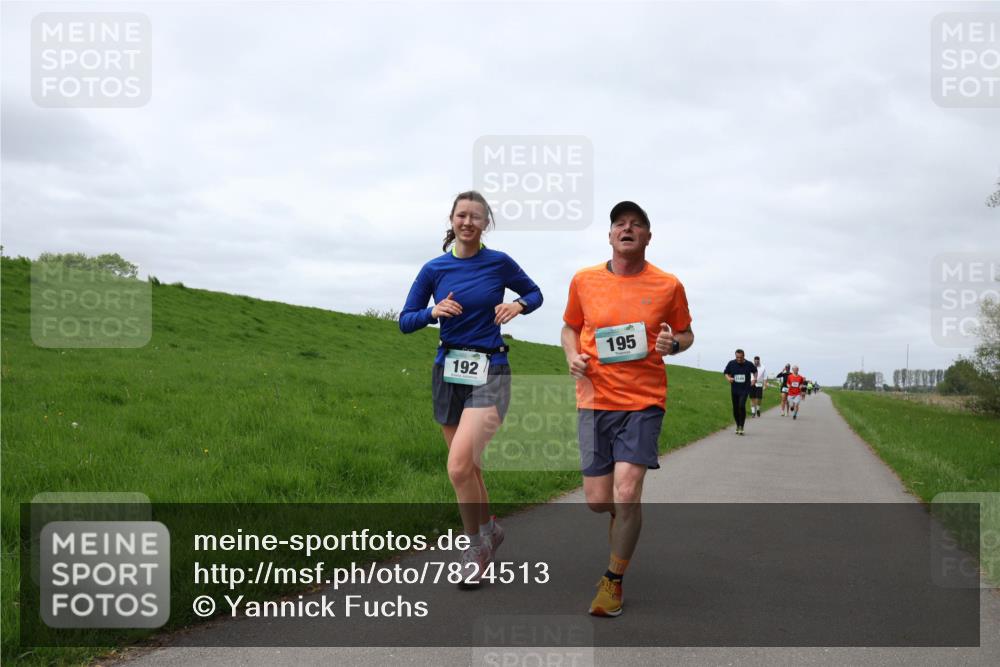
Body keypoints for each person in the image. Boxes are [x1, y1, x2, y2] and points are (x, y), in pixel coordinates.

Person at [399, 190, 543, 585]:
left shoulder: (499, 263)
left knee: (459, 465)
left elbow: (535, 293)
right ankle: (491, 532)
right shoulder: (434, 269)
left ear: (485, 224)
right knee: (470, 468)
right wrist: (433, 311)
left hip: (491, 369)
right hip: (448, 371)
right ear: (451, 219)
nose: (467, 222)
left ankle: (475, 547)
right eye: (461, 215)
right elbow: (405, 319)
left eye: (475, 217)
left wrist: (518, 306)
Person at [561, 200, 693, 617]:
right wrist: (571, 356)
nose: (628, 229)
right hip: (595, 400)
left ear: (648, 236)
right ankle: (625, 517)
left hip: (643, 401)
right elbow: (570, 327)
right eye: (620, 223)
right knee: (600, 501)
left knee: (626, 490)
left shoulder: (668, 285)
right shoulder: (584, 280)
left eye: (637, 224)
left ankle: (612, 582)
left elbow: (686, 333)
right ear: (610, 235)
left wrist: (675, 344)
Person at [723, 349, 757, 435]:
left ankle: (742, 426)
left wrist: (754, 379)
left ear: (744, 356)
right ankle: (738, 425)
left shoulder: (749, 364)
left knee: (741, 406)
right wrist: (729, 378)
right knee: (735, 408)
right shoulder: (731, 363)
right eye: (737, 357)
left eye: (740, 357)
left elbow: (755, 371)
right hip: (734, 389)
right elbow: (726, 373)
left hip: (745, 389)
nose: (739, 359)